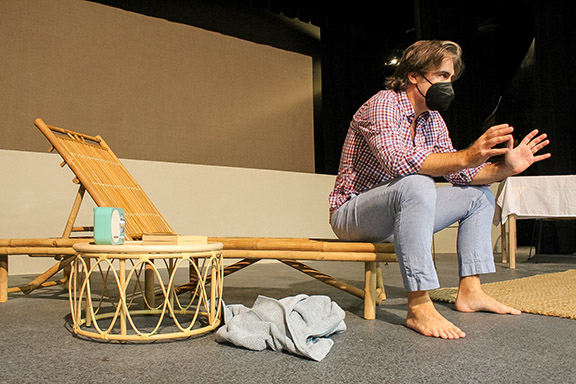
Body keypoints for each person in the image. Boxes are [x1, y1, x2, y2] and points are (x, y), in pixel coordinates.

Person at [328, 40, 551, 339]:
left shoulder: (434, 120)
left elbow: (464, 173)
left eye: (451, 78)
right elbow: (397, 162)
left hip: (402, 212)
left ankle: (470, 291)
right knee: (417, 181)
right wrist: (467, 154)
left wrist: (504, 169)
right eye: (442, 75)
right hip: (353, 214)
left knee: (478, 196)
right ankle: (419, 304)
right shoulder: (383, 104)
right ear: (414, 76)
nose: (449, 85)